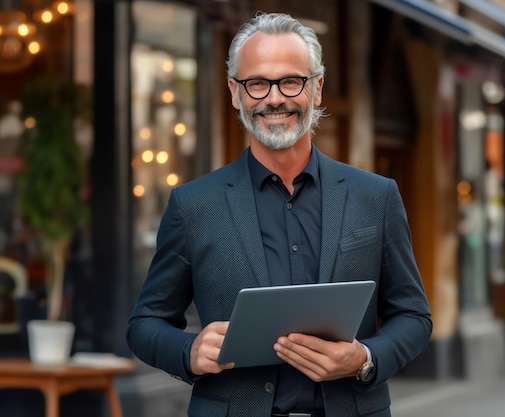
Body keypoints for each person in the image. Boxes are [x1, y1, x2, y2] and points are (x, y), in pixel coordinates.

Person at [126, 12, 432, 417]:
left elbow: (413, 315)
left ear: (317, 88)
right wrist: (188, 350)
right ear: (236, 93)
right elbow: (144, 323)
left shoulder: (375, 196)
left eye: (291, 81)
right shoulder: (193, 205)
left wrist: (364, 359)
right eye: (257, 83)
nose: (274, 98)